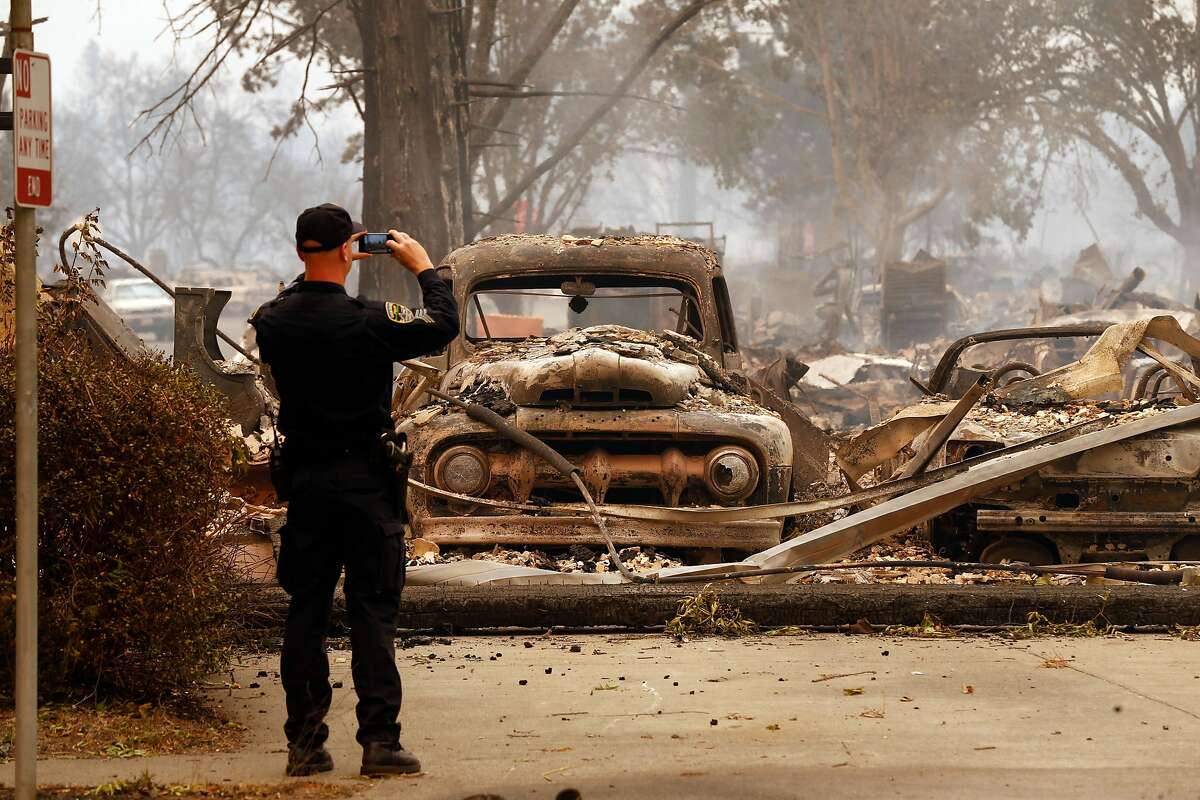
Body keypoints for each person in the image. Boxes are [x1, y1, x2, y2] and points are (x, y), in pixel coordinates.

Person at [250, 203, 459, 778]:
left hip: (309, 483)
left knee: (306, 610)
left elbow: (288, 307)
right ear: (350, 250)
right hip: (366, 483)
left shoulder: (273, 321)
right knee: (372, 611)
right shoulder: (370, 321)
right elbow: (442, 326)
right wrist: (423, 267)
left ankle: (306, 745)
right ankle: (380, 744)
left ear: (299, 251)